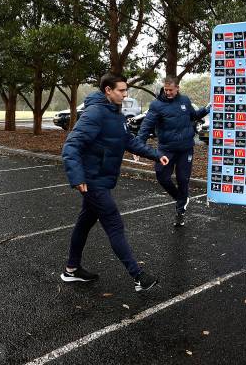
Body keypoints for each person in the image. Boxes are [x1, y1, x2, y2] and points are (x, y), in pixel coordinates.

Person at [61, 73, 169, 292]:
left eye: (125, 89)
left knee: (84, 223)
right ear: (108, 90)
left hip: (101, 179)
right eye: (121, 90)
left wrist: (156, 155)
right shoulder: (95, 113)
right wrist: (77, 177)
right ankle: (139, 277)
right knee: (114, 224)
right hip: (93, 181)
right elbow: (70, 146)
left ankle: (71, 270)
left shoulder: (115, 113)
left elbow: (127, 140)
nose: (125, 94)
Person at [137, 76, 210, 226]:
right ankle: (180, 198)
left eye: (171, 90)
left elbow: (194, 115)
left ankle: (180, 207)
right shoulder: (157, 105)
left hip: (185, 149)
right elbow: (146, 126)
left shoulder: (185, 100)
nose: (168, 92)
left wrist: (206, 109)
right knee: (162, 177)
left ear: (177, 88)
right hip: (166, 149)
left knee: (183, 179)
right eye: (166, 89)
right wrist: (138, 146)